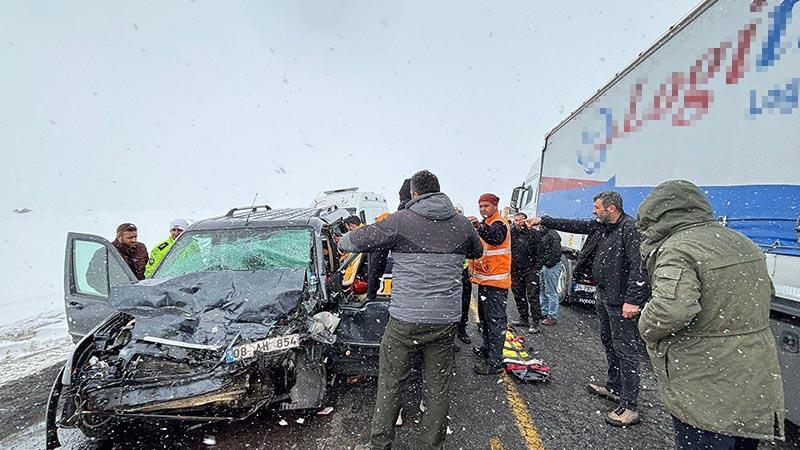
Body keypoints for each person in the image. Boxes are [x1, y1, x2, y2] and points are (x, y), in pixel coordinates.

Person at [340, 170, 482, 450]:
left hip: (406, 320)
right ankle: (432, 445)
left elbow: (354, 242)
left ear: (415, 193)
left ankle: (380, 444)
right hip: (445, 321)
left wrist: (342, 241)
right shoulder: (462, 224)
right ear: (439, 191)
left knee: (391, 382)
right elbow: (476, 252)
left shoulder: (400, 220)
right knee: (438, 387)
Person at [636, 180, 785, 448]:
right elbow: (766, 294)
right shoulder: (742, 241)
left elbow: (670, 311)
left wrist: (644, 327)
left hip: (704, 383)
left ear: (656, 214)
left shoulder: (678, 248)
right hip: (753, 376)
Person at [526, 191, 649, 427]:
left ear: (611, 209)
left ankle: (630, 407)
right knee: (609, 342)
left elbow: (638, 267)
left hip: (621, 299)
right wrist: (545, 220)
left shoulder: (630, 229)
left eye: (597, 207)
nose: (594, 211)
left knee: (626, 350)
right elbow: (576, 225)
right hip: (604, 294)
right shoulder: (602, 226)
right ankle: (614, 387)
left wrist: (633, 300)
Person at [467, 193, 512, 375]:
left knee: (495, 323)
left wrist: (478, 227)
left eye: (486, 206)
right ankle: (487, 349)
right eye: (480, 206)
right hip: (486, 281)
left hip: (496, 283)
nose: (482, 209)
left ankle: (495, 363)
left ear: (495, 206)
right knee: (485, 320)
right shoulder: (487, 224)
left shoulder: (499, 223)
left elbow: (496, 238)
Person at [365, 179, 411, 301]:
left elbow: (377, 263)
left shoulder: (395, 223)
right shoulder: (445, 223)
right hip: (443, 300)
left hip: (406, 296)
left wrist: (371, 294)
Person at [510, 212, 543, 333]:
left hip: (530, 270)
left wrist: (536, 268)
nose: (518, 222)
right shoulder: (512, 233)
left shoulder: (534, 233)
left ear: (525, 220)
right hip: (515, 269)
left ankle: (535, 322)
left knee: (533, 296)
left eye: (520, 220)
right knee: (518, 295)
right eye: (516, 220)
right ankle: (523, 318)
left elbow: (541, 251)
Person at [453, 203, 473, 344]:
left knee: (464, 304)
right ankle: (450, 335)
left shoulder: (466, 228)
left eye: (459, 211)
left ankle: (462, 330)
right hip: (450, 273)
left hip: (464, 273)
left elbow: (475, 250)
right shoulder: (445, 228)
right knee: (450, 305)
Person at [538, 224, 563, 326]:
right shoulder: (548, 234)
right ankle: (544, 312)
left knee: (550, 291)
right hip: (547, 265)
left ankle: (552, 316)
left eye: (542, 225)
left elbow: (556, 252)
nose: (540, 227)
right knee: (543, 289)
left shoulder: (552, 235)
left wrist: (548, 263)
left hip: (550, 266)